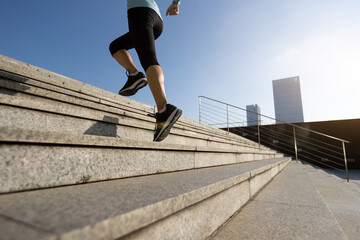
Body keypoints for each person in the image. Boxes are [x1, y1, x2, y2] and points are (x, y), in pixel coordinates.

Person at [109, 0, 182, 142]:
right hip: (156, 19)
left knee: (149, 60)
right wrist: (175, 3)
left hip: (140, 12)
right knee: (116, 46)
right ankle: (134, 75)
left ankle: (164, 109)